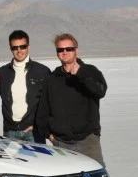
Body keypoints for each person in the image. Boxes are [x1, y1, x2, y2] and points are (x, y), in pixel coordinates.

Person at [36, 33, 107, 167]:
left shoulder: (90, 71)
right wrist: (50, 136)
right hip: (61, 143)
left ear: (76, 50)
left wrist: (81, 75)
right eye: (60, 49)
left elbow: (100, 91)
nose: (64, 52)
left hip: (88, 141)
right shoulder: (52, 79)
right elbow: (43, 110)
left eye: (69, 49)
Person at [0, 30, 50, 143]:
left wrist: (40, 125)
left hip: (34, 132)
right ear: (11, 49)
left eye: (22, 47)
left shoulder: (42, 71)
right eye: (15, 48)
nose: (19, 50)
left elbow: (50, 102)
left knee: (36, 161)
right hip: (10, 132)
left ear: (28, 47)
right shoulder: (3, 72)